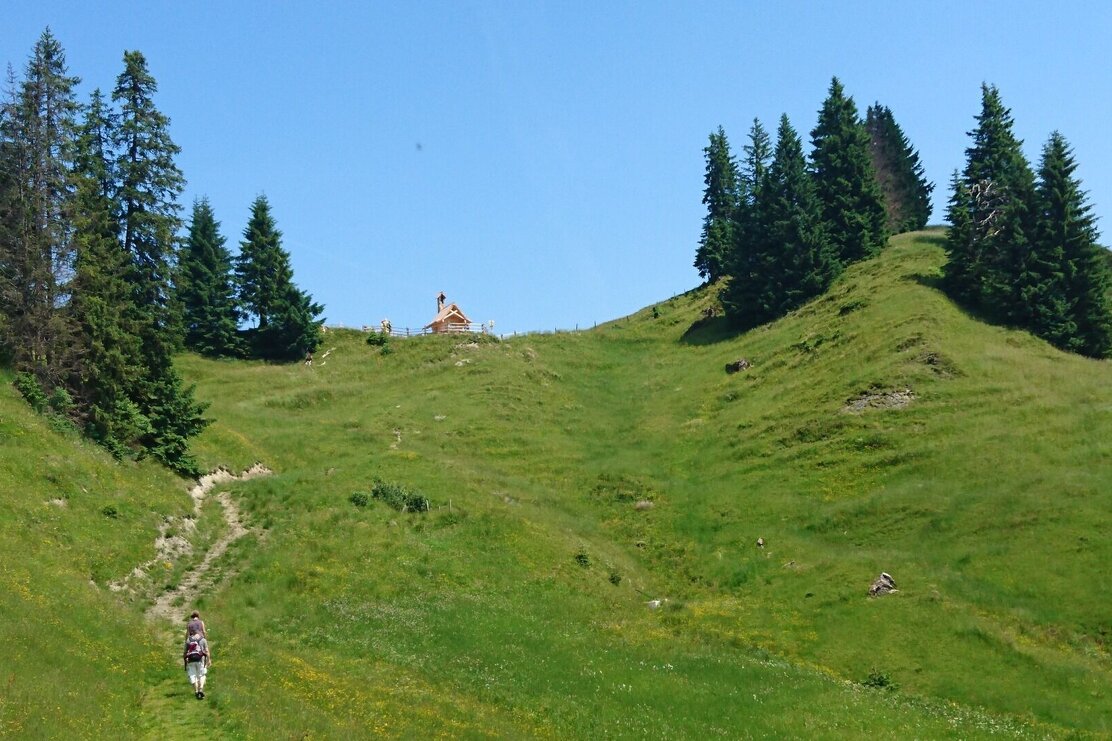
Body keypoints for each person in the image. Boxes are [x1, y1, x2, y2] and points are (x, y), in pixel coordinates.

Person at [183, 631, 211, 699]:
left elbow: (185, 652)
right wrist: (209, 660)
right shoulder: (203, 639)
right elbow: (206, 651)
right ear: (200, 633)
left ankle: (196, 691)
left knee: (192, 675)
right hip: (200, 660)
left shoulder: (188, 640)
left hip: (191, 661)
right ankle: (200, 689)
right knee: (202, 675)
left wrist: (185, 661)